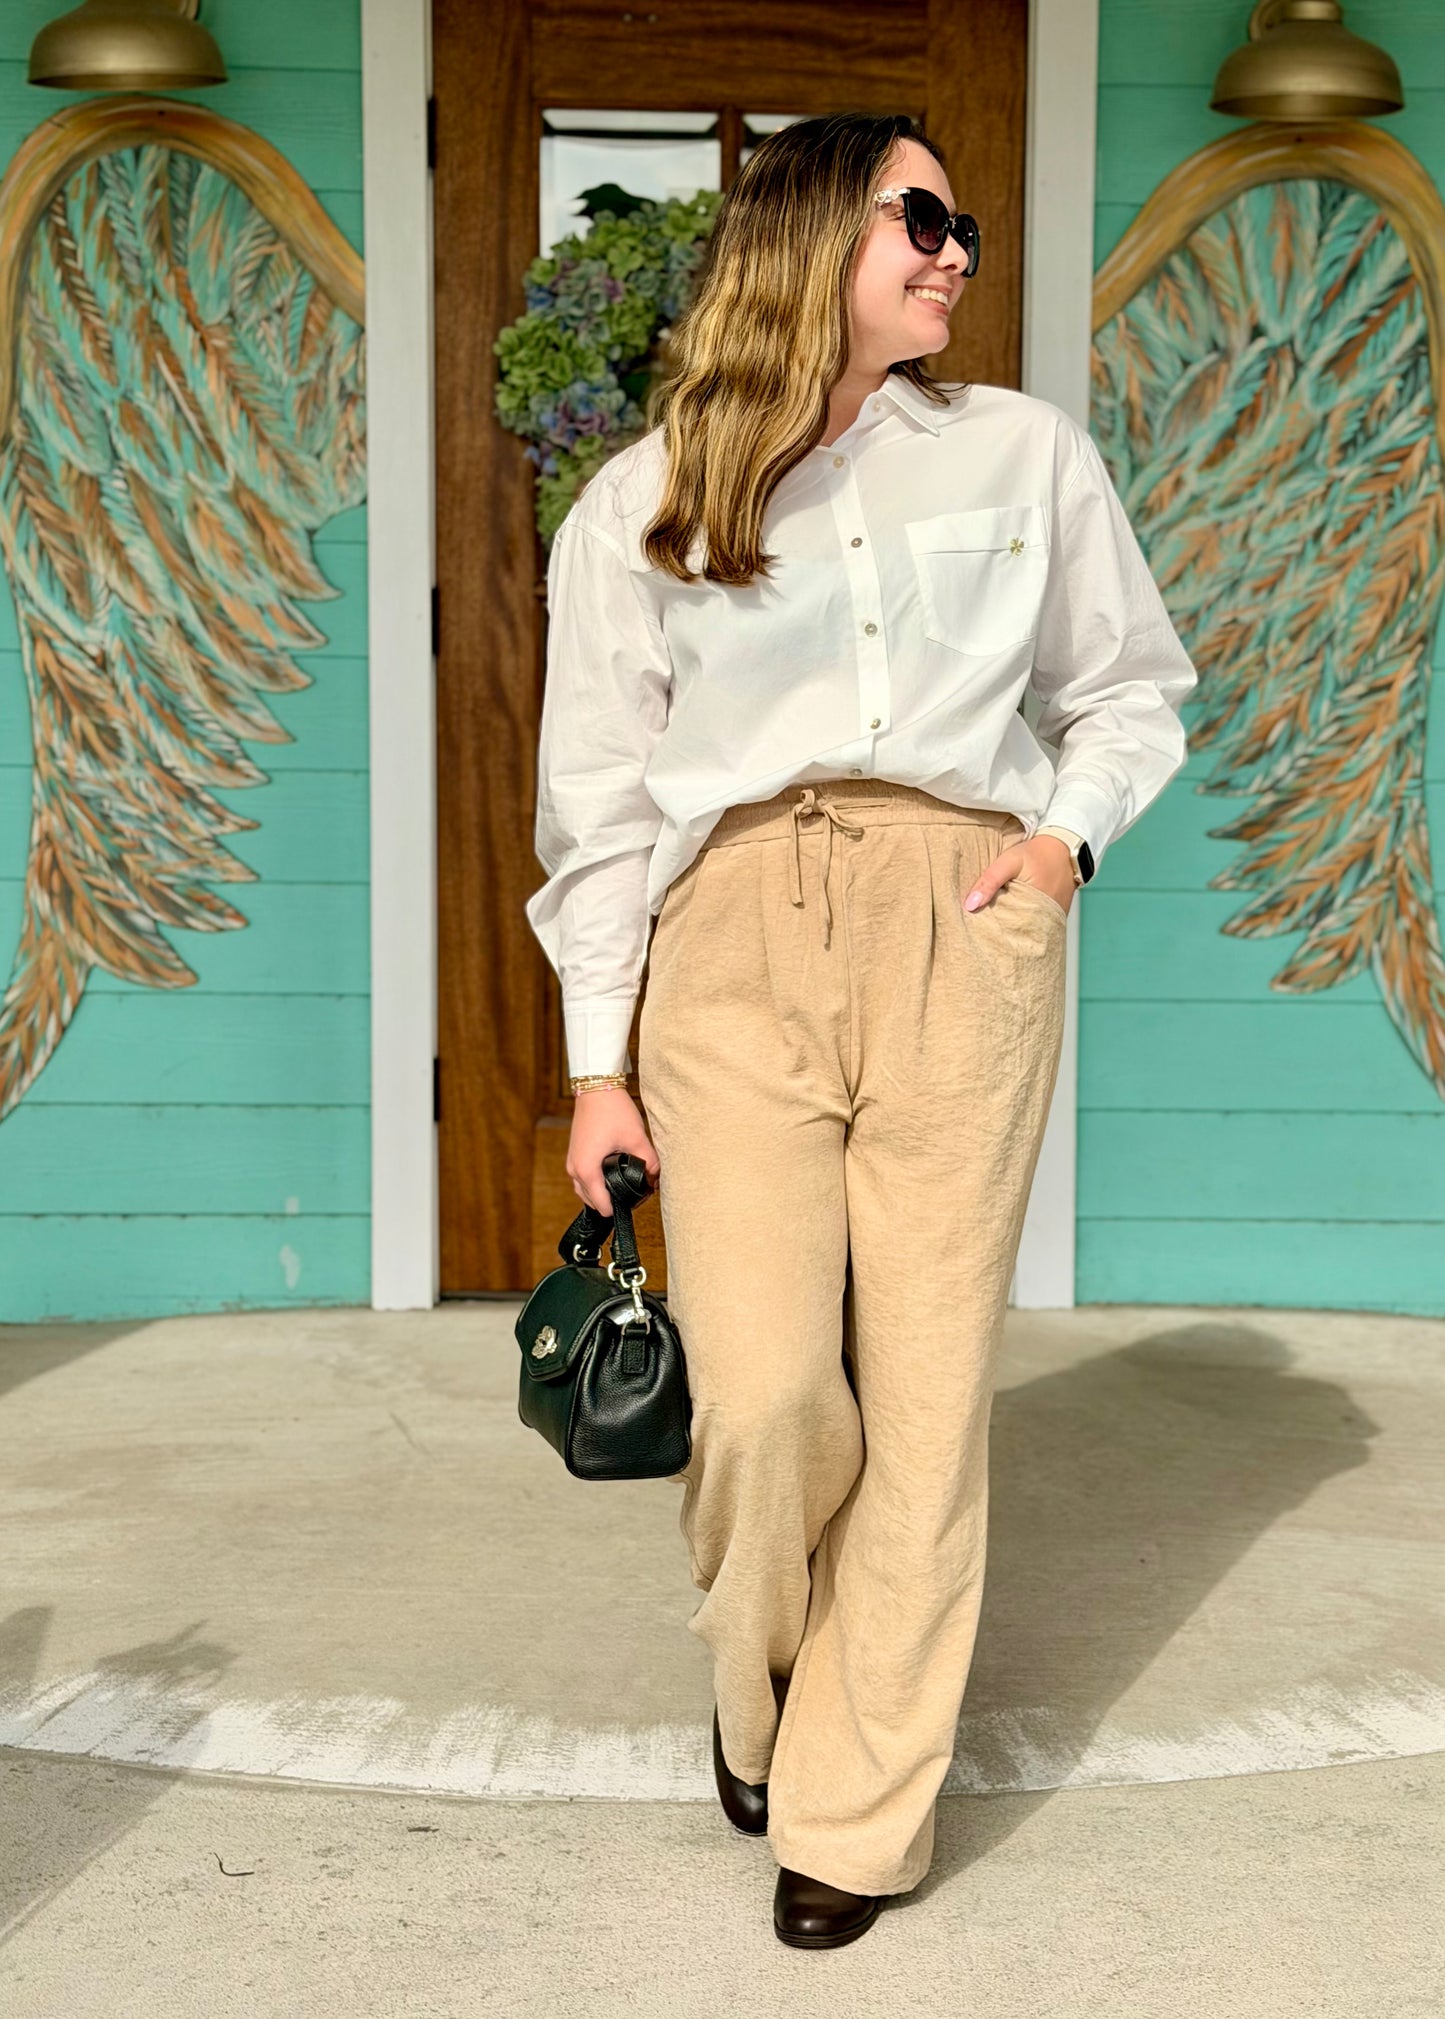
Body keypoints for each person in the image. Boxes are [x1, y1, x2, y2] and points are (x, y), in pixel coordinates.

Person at [525, 111, 1198, 1948]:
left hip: (961, 915)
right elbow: (597, 811)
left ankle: (853, 1809)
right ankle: (760, 1693)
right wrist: (600, 1063)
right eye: (919, 214)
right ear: (815, 231)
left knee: (921, 1405)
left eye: (963, 219)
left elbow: (1128, 689)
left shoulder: (1019, 454)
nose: (954, 245)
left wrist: (1059, 848)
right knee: (760, 1399)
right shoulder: (642, 501)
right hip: (731, 933)